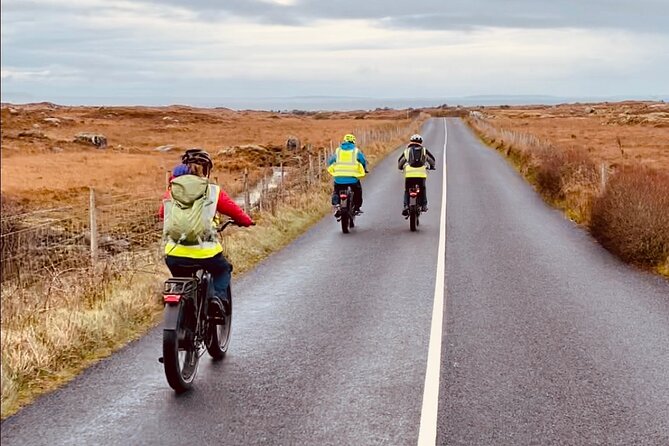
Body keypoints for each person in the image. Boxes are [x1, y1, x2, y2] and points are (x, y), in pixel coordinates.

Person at [159, 149, 254, 318]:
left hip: (174, 253)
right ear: (206, 169)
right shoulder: (213, 191)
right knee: (223, 269)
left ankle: (185, 318)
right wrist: (246, 221)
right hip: (206, 253)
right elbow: (234, 211)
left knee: (184, 284)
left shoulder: (172, 190)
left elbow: (162, 213)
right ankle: (216, 299)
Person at [327, 133, 368, 217]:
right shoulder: (356, 151)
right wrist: (364, 169)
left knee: (336, 191)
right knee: (357, 191)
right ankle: (356, 208)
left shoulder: (338, 151)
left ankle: (337, 205)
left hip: (339, 177)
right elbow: (363, 161)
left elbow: (330, 161)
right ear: (353, 142)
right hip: (353, 178)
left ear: (344, 141)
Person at [398, 134, 436, 216]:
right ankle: (424, 205)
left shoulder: (407, 151)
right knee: (422, 189)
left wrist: (400, 167)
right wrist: (432, 167)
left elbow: (401, 161)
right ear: (421, 142)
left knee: (407, 190)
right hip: (421, 174)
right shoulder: (424, 150)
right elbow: (431, 160)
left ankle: (405, 206)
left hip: (409, 174)